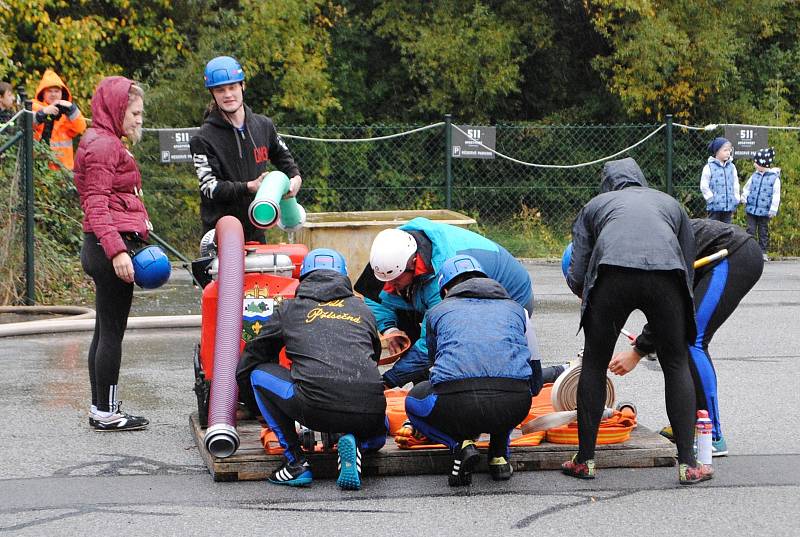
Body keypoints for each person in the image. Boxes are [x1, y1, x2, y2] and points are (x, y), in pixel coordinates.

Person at [563, 157, 712, 485]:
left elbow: (577, 272)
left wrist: (587, 296)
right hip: (667, 277)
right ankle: (689, 464)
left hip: (611, 275)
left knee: (594, 364)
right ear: (640, 179)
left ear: (608, 184)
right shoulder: (670, 204)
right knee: (675, 362)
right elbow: (687, 267)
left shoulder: (596, 205)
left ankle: (584, 460)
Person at [609, 218, 764, 457]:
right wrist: (649, 341)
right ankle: (690, 423)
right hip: (717, 256)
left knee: (695, 340)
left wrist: (638, 350)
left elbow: (667, 302)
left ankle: (710, 434)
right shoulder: (629, 250)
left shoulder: (643, 251)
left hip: (732, 254)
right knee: (681, 339)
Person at [237, 248, 387, 490]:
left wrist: (253, 407)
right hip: (371, 412)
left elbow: (253, 356)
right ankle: (357, 442)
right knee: (378, 424)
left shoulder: (289, 309)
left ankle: (295, 462)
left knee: (258, 374)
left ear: (303, 277)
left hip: (315, 407)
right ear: (344, 276)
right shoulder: (363, 310)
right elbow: (374, 357)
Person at [355, 217, 543, 392]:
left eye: (395, 281)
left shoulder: (444, 273)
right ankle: (424, 385)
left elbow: (429, 343)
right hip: (436, 284)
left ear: (413, 263)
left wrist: (388, 381)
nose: (389, 286)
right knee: (422, 346)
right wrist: (389, 329)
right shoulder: (389, 253)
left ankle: (482, 392)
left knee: (471, 349)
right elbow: (375, 295)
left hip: (511, 293)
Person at [404, 255, 533, 487]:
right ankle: (499, 457)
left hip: (459, 404)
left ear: (445, 290)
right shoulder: (517, 310)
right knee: (509, 384)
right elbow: (532, 371)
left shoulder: (437, 311)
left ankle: (460, 446)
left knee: (414, 401)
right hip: (515, 405)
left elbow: (435, 368)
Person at [73, 76, 151, 431]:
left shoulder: (102, 141)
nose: (139, 119)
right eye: (134, 112)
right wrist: (119, 252)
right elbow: (96, 205)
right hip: (108, 247)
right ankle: (106, 412)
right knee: (111, 333)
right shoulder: (105, 146)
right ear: (117, 109)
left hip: (101, 245)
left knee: (103, 329)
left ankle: (100, 407)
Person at [190, 56, 302, 243]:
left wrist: (295, 178)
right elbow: (210, 188)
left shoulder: (264, 125)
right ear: (212, 93)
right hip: (221, 235)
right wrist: (249, 187)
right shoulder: (202, 139)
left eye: (232, 87)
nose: (228, 94)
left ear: (242, 86)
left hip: (257, 232)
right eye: (220, 90)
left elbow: (284, 159)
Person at [32, 69, 87, 170]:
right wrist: (44, 112)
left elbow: (81, 128)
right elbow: (26, 123)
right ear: (43, 93)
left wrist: (71, 108)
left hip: (63, 172)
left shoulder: (67, 112)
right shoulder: (34, 106)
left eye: (56, 91)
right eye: (49, 91)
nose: (53, 94)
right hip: (38, 171)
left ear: (62, 93)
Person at [742, 147, 780, 262]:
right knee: (750, 230)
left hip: (765, 211)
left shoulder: (774, 179)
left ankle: (763, 251)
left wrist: (773, 209)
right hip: (751, 209)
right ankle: (750, 251)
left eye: (756, 162)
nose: (754, 164)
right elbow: (747, 188)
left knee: (763, 231)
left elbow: (776, 195)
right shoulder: (754, 175)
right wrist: (744, 197)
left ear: (763, 164)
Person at [700, 137, 740, 223]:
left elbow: (735, 183)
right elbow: (704, 185)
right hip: (714, 206)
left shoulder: (732, 167)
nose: (728, 153)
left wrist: (736, 197)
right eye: (725, 150)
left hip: (729, 205)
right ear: (717, 151)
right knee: (713, 228)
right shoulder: (709, 167)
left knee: (727, 228)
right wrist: (711, 198)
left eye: (729, 150)